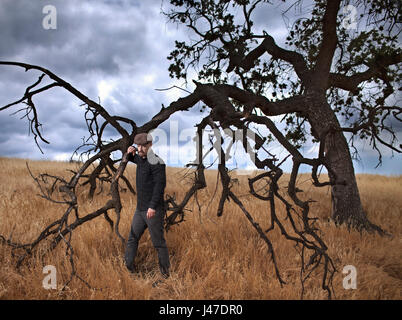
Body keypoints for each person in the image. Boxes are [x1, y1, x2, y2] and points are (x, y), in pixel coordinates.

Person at [124, 132, 170, 278]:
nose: (140, 149)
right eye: (138, 146)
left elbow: (159, 186)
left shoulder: (157, 162)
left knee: (158, 243)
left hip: (153, 210)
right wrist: (130, 152)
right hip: (140, 210)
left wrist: (152, 207)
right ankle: (128, 269)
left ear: (150, 145)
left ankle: (165, 274)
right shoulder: (141, 159)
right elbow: (133, 158)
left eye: (144, 146)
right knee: (132, 238)